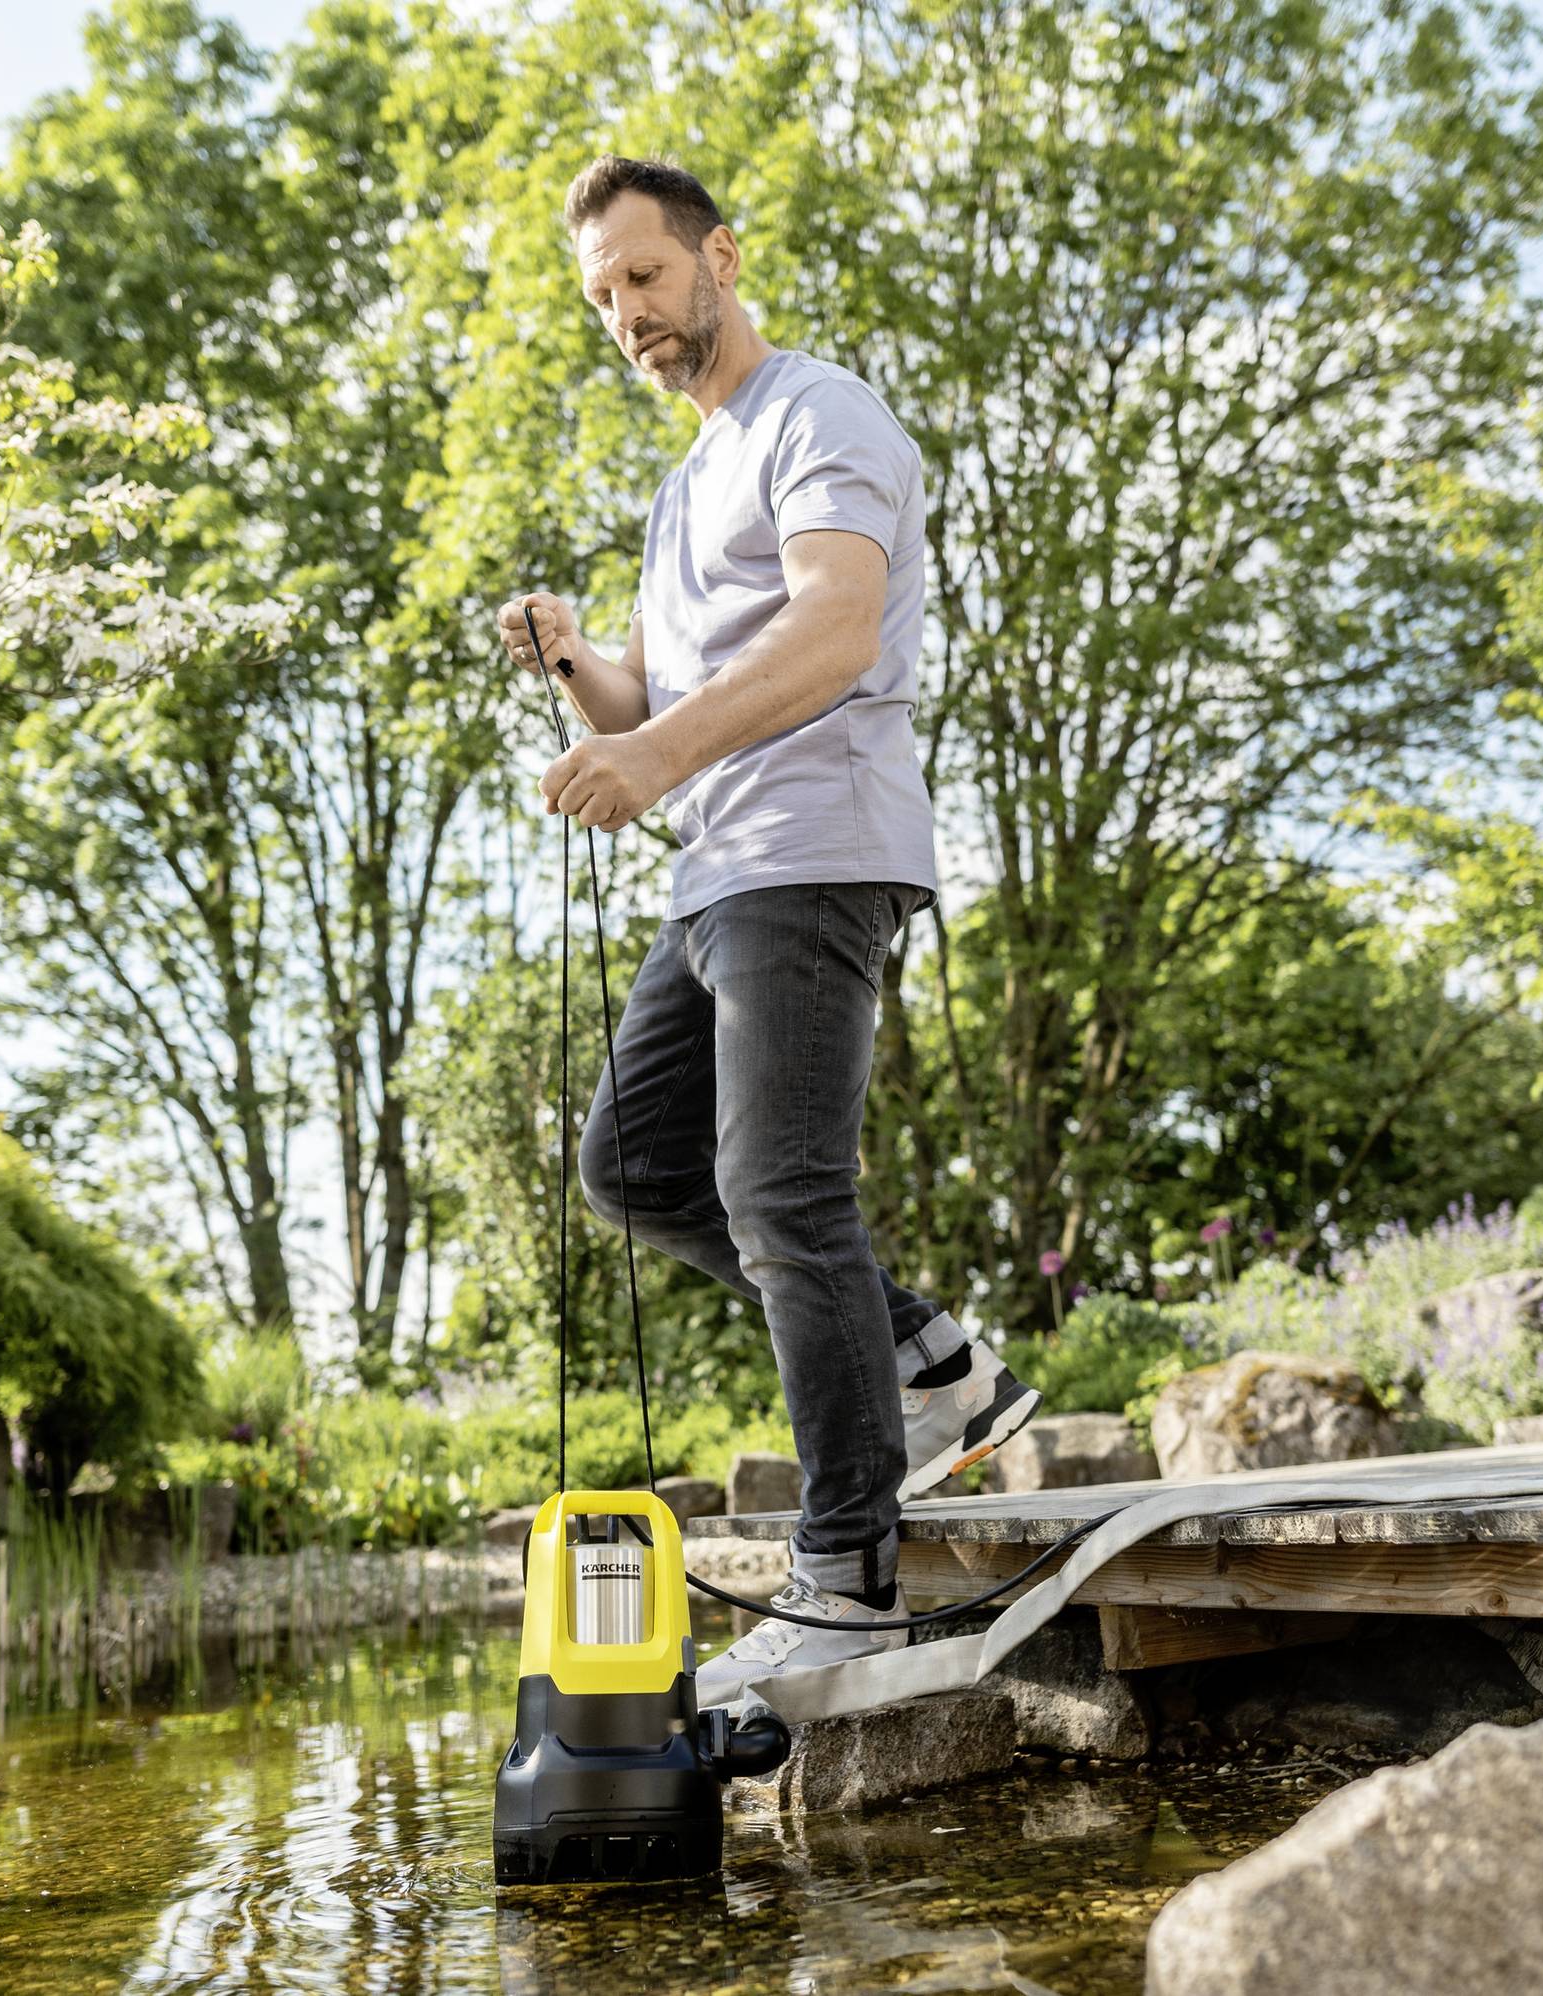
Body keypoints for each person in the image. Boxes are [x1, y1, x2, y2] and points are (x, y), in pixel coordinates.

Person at [494, 154, 1037, 1704]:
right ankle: (931, 1362)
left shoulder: (820, 415)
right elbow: (649, 699)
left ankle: (845, 1579)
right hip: (717, 868)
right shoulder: (685, 483)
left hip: (815, 849)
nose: (626, 316)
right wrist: (578, 663)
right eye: (601, 295)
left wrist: (656, 756)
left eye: (644, 277)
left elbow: (835, 628)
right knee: (631, 1165)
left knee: (780, 1190)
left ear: (720, 256)